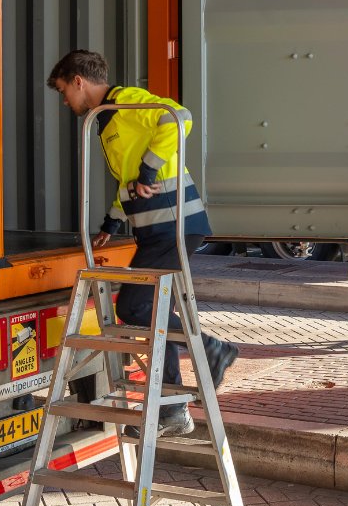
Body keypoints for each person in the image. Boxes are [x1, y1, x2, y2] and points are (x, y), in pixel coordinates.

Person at [47, 50, 238, 436]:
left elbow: (179, 118)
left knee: (136, 306)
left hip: (174, 224)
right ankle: (173, 409)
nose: (65, 100)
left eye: (64, 90)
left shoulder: (127, 101)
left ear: (79, 81)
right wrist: (112, 220)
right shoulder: (108, 120)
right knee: (151, 313)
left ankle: (212, 350)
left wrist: (151, 167)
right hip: (159, 228)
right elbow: (128, 180)